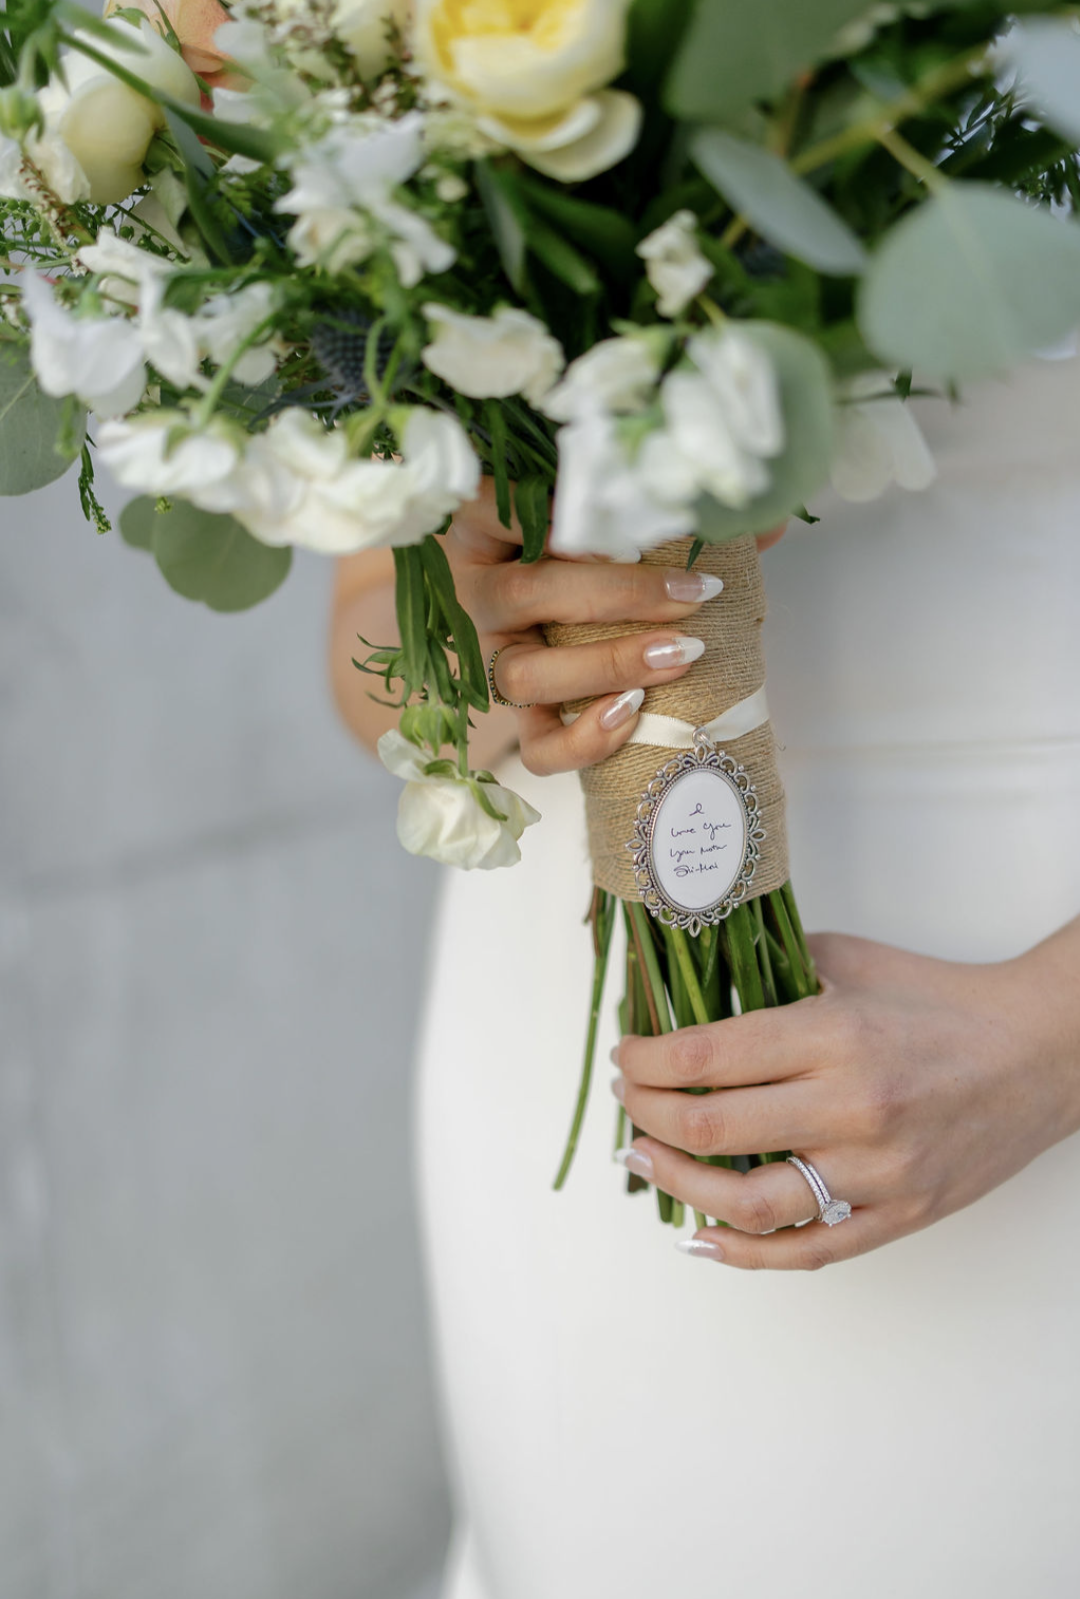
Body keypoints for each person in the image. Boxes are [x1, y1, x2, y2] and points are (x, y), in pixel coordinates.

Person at [330, 352, 1080, 1598]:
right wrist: (484, 638)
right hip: (563, 987)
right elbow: (364, 609)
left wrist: (1056, 1039)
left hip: (1028, 933)